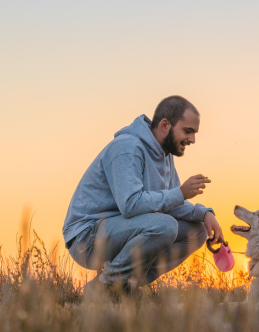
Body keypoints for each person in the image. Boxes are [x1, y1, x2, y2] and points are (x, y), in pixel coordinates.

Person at [63, 95, 223, 293]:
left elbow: (171, 203)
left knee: (196, 231)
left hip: (122, 229)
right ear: (165, 125)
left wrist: (204, 213)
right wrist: (181, 192)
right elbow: (130, 205)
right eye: (187, 131)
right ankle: (105, 285)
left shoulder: (165, 155)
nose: (192, 139)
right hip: (86, 237)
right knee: (165, 226)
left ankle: (127, 284)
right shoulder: (127, 148)